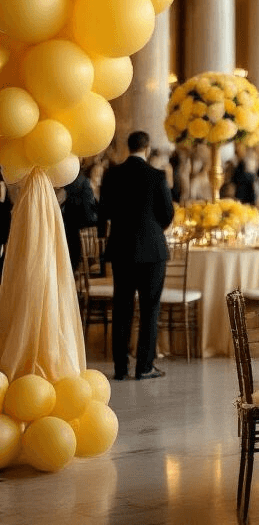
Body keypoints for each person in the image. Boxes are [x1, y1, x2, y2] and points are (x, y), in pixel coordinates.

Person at [99, 131, 175, 381]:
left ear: (127, 147)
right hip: (152, 250)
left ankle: (121, 368)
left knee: (122, 308)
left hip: (121, 248)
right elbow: (167, 214)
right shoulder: (157, 176)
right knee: (149, 309)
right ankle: (144, 366)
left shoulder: (112, 174)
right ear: (147, 148)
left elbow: (105, 211)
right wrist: (151, 229)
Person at [60, 166, 97, 275]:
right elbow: (87, 205)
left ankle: (72, 272)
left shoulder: (69, 181)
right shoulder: (83, 181)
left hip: (69, 222)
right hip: (78, 223)